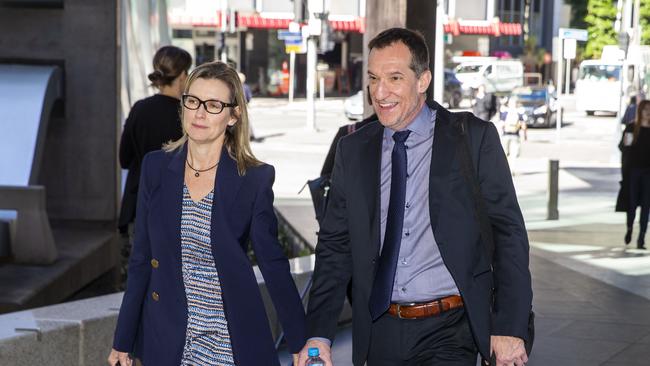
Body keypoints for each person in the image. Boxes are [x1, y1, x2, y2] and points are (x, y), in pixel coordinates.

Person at [298, 28, 532, 366]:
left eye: (394, 78)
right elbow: (335, 246)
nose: (379, 92)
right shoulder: (353, 150)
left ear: (423, 80)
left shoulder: (472, 139)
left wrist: (510, 325)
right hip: (380, 330)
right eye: (374, 78)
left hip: (450, 329)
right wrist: (318, 332)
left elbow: (509, 234)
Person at [108, 61, 306, 366]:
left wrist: (300, 341)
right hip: (168, 338)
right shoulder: (156, 167)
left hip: (228, 340)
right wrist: (123, 340)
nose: (199, 113)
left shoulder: (253, 179)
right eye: (193, 101)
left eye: (213, 105)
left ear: (233, 114)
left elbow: (273, 263)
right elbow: (141, 259)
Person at [118, 46, 192, 235]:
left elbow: (124, 159)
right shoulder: (189, 115)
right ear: (183, 75)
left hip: (140, 205)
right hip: (177, 211)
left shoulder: (139, 109)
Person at [619, 99, 650, 249]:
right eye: (645, 110)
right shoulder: (631, 127)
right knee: (631, 204)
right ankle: (630, 228)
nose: (648, 113)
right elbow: (624, 148)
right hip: (634, 172)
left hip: (648, 173)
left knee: (646, 206)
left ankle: (642, 237)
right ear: (640, 111)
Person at [499, 96, 528, 173]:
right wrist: (525, 136)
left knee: (505, 154)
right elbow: (523, 125)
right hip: (515, 135)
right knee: (513, 154)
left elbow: (501, 124)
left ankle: (505, 169)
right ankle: (512, 169)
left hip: (506, 135)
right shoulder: (519, 113)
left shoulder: (505, 113)